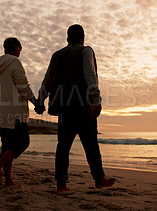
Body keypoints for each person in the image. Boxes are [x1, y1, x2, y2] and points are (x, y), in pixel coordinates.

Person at [38, 24, 115, 192]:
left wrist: (40, 99)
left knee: (63, 145)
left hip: (63, 107)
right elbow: (90, 75)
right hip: (82, 105)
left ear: (67, 38)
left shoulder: (56, 55)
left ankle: (61, 184)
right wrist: (95, 99)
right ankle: (99, 179)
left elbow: (47, 79)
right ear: (83, 37)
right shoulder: (86, 51)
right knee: (91, 144)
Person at [0, 37, 38, 186]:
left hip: (0, 111)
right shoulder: (15, 62)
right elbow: (23, 87)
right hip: (14, 112)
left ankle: (9, 180)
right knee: (23, 142)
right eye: (20, 50)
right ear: (17, 49)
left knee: (7, 146)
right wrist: (36, 102)